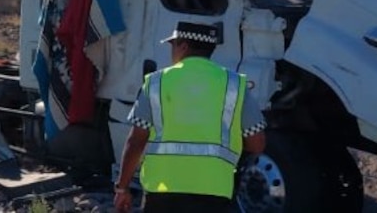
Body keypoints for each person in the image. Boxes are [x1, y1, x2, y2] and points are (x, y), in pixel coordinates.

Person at [113, 21, 267, 213]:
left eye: (173, 45)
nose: (172, 51)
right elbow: (257, 143)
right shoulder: (234, 85)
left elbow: (136, 141)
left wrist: (122, 188)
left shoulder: (156, 83)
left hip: (161, 192)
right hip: (215, 193)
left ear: (183, 46)